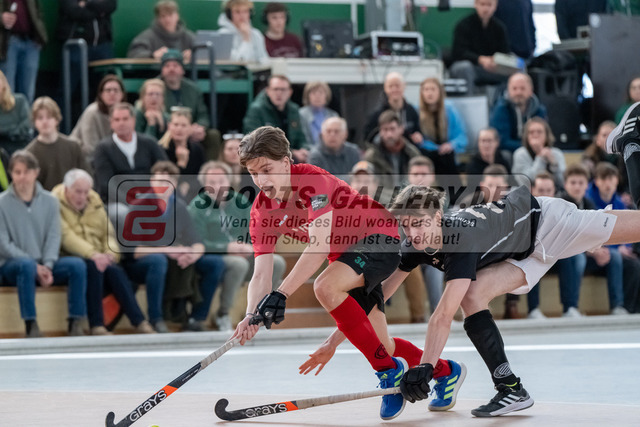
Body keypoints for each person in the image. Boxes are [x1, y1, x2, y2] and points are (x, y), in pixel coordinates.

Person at [231, 126, 463, 420]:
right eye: (253, 173)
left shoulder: (312, 181)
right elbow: (261, 273)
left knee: (325, 286)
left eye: (267, 169)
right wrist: (251, 314)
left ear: (286, 162)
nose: (261, 180)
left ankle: (388, 371)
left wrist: (281, 294)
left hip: (379, 236)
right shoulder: (261, 211)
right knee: (383, 344)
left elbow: (318, 245)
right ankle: (446, 371)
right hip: (346, 259)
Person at [386, 170, 640, 415]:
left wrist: (426, 366)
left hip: (548, 223)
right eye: (406, 226)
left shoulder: (460, 240)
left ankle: (630, 150)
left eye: (418, 224)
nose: (412, 234)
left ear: (437, 217)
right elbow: (378, 296)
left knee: (634, 227)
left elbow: (443, 316)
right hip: (524, 252)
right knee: (473, 295)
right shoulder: (413, 245)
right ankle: (510, 388)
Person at [52, 169, 155, 335]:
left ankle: (140, 321)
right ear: (66, 189)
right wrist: (93, 254)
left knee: (115, 270)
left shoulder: (95, 201)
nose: (82, 197)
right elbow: (66, 236)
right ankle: (96, 324)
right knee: (94, 267)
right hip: (72, 255)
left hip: (98, 255)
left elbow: (108, 233)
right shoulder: (54, 203)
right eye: (78, 192)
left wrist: (110, 253)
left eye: (86, 192)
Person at [187, 161, 286, 331]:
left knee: (276, 262)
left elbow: (256, 231)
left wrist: (249, 247)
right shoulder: (197, 206)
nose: (217, 186)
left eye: (221, 181)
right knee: (238, 264)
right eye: (212, 182)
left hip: (244, 253)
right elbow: (197, 242)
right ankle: (223, 314)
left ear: (229, 180)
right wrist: (227, 248)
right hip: (215, 257)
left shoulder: (240, 201)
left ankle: (260, 312)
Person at [0, 151, 87, 338]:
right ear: (11, 174)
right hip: (12, 265)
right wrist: (34, 266)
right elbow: (3, 243)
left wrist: (47, 265)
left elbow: (54, 236)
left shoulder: (51, 201)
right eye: (17, 172)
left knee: (77, 265)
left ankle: (75, 322)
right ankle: (31, 324)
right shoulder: (2, 203)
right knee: (26, 266)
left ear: (36, 173)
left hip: (44, 263)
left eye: (26, 172)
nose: (22, 177)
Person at [144, 161, 225, 331]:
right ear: (151, 181)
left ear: (175, 184)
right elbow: (133, 251)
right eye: (159, 181)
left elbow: (197, 241)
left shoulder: (179, 207)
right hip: (147, 258)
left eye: (168, 182)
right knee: (159, 261)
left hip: (175, 255)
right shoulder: (140, 207)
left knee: (215, 263)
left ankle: (196, 318)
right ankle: (156, 318)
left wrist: (192, 255)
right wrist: (167, 250)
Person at [93, 102, 168, 204]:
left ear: (133, 120)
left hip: (152, 198)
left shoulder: (150, 143)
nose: (121, 123)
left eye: (125, 119)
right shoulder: (103, 149)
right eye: (117, 120)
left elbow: (165, 170)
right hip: (117, 202)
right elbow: (106, 184)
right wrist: (131, 202)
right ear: (111, 123)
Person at [160, 49, 222, 161]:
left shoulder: (193, 89)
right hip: (167, 129)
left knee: (213, 135)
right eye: (167, 66)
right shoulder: (156, 88)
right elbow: (158, 112)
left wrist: (199, 127)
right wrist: (183, 127)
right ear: (162, 70)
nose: (171, 69)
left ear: (182, 70)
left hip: (192, 129)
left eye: (175, 65)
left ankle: (210, 169)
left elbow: (203, 115)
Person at [585, 162, 630, 315]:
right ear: (596, 181)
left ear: (617, 180)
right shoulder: (588, 199)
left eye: (611, 179)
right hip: (590, 251)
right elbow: (590, 232)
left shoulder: (619, 202)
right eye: (604, 179)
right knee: (615, 257)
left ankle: (632, 308)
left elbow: (627, 231)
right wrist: (614, 248)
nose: (608, 183)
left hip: (609, 250)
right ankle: (617, 305)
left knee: (634, 264)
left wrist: (626, 247)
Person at [56, 0, 116, 99]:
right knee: (67, 88)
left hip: (102, 45)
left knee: (106, 85)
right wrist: (99, 11)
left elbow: (110, 5)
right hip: (76, 45)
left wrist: (87, 4)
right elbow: (74, 11)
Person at [25, 96, 88, 191]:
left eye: (49, 117)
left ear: (57, 119)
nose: (44, 122)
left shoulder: (73, 147)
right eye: (40, 118)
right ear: (34, 122)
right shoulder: (29, 154)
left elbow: (86, 177)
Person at [449, 0, 510, 95]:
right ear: (476, 4)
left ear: (495, 7)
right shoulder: (463, 25)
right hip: (471, 67)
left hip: (492, 68)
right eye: (482, 4)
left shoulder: (500, 28)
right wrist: (480, 59)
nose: (485, 9)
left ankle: (503, 102)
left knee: (517, 71)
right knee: (464, 67)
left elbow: (505, 52)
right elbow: (459, 52)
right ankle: (468, 101)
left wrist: (495, 62)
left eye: (489, 5)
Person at [243, 74, 309, 163]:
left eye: (283, 90)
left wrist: (304, 149)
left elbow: (300, 136)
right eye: (275, 89)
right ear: (268, 91)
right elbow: (255, 141)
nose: (279, 93)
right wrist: (292, 152)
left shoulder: (294, 109)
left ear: (290, 92)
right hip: (266, 158)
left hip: (291, 157)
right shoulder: (257, 109)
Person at [416, 77, 467, 181]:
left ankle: (453, 190)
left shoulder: (450, 110)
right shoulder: (417, 112)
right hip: (428, 152)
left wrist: (451, 144)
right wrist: (435, 147)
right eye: (426, 89)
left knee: (446, 155)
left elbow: (462, 136)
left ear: (440, 92)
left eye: (433, 89)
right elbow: (419, 140)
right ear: (422, 93)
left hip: (447, 153)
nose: (430, 93)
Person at [71, 74, 126, 163]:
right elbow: (90, 148)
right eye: (108, 90)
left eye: (116, 90)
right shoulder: (92, 112)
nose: (112, 93)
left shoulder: (126, 112)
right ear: (101, 94)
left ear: (122, 94)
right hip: (83, 159)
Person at [0, 0, 47, 103]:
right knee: (7, 92)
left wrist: (39, 36)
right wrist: (1, 18)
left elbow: (38, 12)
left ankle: (26, 114)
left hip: (31, 43)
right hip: (7, 43)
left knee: (28, 93)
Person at [490, 72, 548, 152]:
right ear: (508, 90)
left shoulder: (539, 110)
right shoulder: (501, 109)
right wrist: (528, 147)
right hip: (510, 151)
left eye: (522, 88)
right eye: (514, 89)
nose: (518, 92)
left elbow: (545, 137)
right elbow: (502, 141)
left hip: (536, 149)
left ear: (531, 90)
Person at [364, 110, 421, 189]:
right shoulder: (371, 156)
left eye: (392, 129)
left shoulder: (412, 153)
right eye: (385, 129)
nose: (389, 134)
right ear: (380, 131)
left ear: (401, 129)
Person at [157, 108, 205, 200]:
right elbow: (164, 180)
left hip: (194, 194)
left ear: (190, 128)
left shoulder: (197, 149)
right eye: (176, 125)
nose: (179, 129)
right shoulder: (161, 150)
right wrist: (181, 164)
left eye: (184, 125)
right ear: (169, 126)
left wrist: (188, 185)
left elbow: (201, 177)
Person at [363, 72, 422, 144]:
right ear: (385, 88)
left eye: (397, 86)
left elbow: (419, 131)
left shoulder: (412, 111)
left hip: (407, 149)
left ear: (404, 86)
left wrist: (418, 135)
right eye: (390, 86)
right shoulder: (377, 115)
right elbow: (368, 138)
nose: (394, 89)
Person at [127, 0, 195, 62]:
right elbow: (133, 55)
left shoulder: (189, 37)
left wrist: (194, 55)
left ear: (177, 16)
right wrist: (152, 56)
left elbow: (201, 51)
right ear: (158, 18)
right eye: (163, 16)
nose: (167, 20)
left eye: (170, 15)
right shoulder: (146, 37)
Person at [512, 117, 565, 188]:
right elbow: (526, 182)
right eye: (531, 132)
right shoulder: (520, 154)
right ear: (526, 136)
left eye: (539, 132)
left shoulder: (557, 153)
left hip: (552, 193)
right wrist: (540, 158)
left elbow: (563, 182)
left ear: (546, 135)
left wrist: (554, 164)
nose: (535, 135)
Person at [466, 127, 511, 191]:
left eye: (489, 141)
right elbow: (472, 191)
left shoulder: (503, 162)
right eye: (483, 141)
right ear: (478, 143)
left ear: (497, 142)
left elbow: (511, 185)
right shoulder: (472, 166)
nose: (486, 145)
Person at [0, 69, 32, 154]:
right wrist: (12, 130)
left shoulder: (20, 101)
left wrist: (4, 132)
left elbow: (26, 126)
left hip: (19, 148)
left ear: (4, 83)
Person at [298, 81, 339, 147]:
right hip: (308, 150)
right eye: (314, 93)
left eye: (321, 93)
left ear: (326, 96)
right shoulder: (300, 114)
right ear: (308, 96)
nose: (317, 96)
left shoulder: (333, 115)